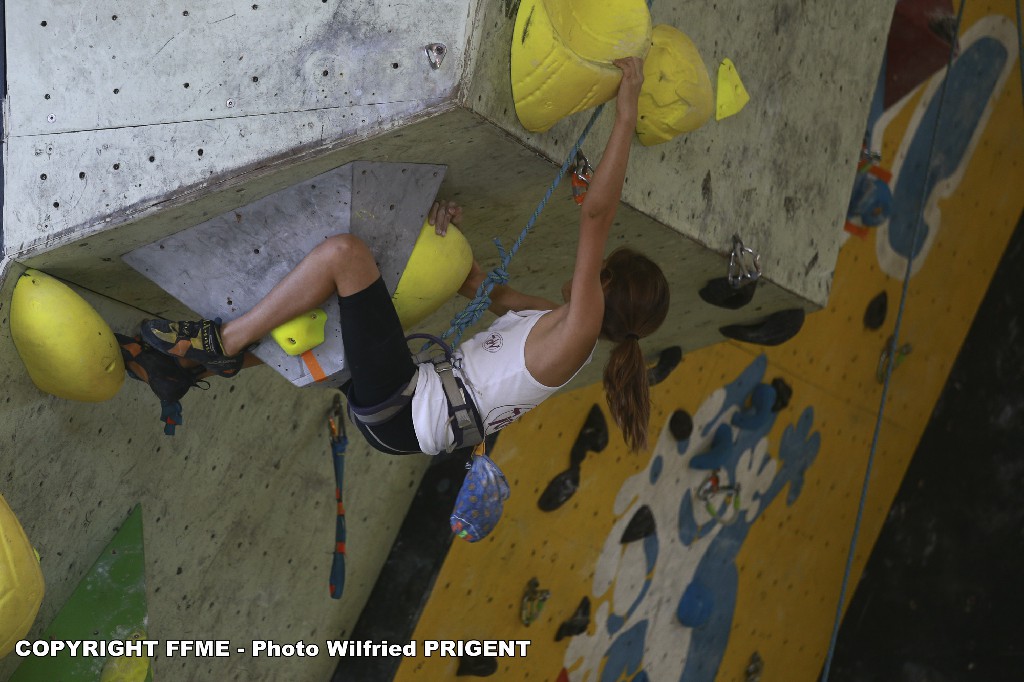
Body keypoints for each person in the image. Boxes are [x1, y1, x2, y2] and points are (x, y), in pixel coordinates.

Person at [140, 57, 669, 454]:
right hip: (407, 403)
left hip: (406, 407)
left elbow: (596, 215)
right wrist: (440, 233)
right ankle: (181, 371)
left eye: (600, 271)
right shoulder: (561, 322)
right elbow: (486, 291)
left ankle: (221, 343)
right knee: (333, 314)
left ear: (604, 287)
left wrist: (625, 116)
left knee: (346, 257)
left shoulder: (580, 331)